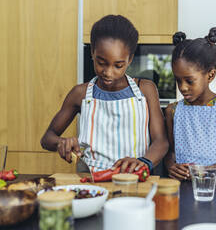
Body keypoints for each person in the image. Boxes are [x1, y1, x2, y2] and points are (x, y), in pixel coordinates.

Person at [41, 15, 169, 173]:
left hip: (132, 178)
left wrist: (143, 162)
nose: (108, 72)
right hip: (90, 179)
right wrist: (61, 142)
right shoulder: (79, 93)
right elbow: (47, 138)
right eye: (101, 63)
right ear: (93, 53)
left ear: (129, 60)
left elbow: (161, 141)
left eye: (118, 65)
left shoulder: (145, 90)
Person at [164, 28, 216, 180]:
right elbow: (170, 152)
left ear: (210, 75)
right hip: (184, 186)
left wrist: (207, 171)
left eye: (189, 81)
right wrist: (171, 166)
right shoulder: (172, 110)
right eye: (178, 80)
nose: (182, 87)